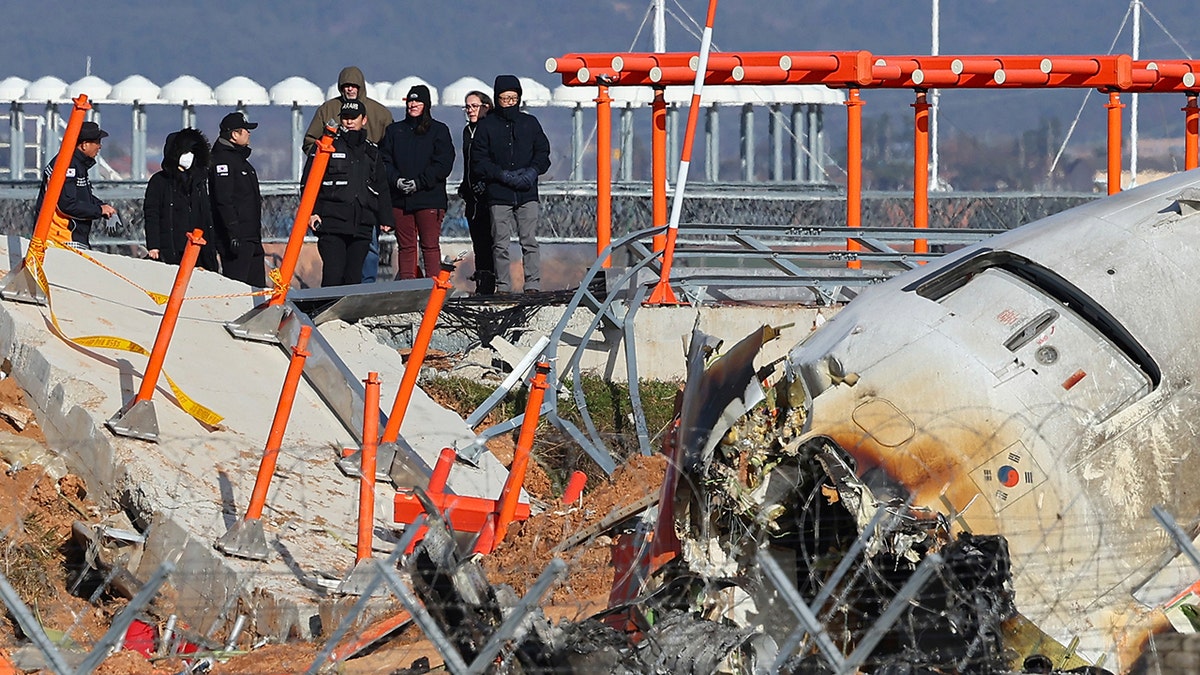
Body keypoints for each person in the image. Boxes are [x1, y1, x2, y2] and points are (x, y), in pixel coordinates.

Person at [303, 66, 394, 284]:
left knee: (357, 275)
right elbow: (309, 181)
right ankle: (327, 315)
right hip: (333, 220)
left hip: (363, 221)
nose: (349, 121)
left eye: (354, 117)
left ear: (364, 120)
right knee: (334, 274)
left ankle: (353, 314)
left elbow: (381, 184)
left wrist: (385, 217)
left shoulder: (372, 151)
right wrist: (311, 211)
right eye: (345, 117)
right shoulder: (327, 144)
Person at [471, 75, 551, 294]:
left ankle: (533, 284)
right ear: (497, 99)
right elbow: (479, 160)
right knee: (500, 242)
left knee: (530, 241)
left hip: (527, 192)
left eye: (512, 99)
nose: (508, 103)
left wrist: (532, 172)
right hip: (498, 193)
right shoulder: (487, 126)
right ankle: (503, 285)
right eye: (504, 99)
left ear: (519, 99)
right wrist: (501, 175)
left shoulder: (530, 123)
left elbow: (543, 153)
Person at [380, 85, 454, 280]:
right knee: (406, 247)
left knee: (429, 246)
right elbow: (384, 161)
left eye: (417, 101)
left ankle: (433, 290)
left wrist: (419, 182)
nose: (413, 105)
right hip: (400, 199)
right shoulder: (395, 131)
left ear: (426, 104)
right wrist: (396, 180)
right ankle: (408, 288)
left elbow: (443, 164)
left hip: (429, 198)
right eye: (410, 101)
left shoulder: (438, 131)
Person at [143, 128, 219, 270]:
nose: (188, 156)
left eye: (191, 152)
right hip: (171, 246)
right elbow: (152, 214)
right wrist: (154, 245)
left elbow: (206, 214)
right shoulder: (159, 181)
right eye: (184, 152)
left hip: (197, 246)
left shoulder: (198, 181)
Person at [35, 120, 117, 250]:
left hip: (71, 237)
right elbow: (66, 204)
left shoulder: (76, 164)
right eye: (97, 142)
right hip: (62, 239)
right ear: (84, 145)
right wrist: (99, 210)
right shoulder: (67, 165)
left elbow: (80, 196)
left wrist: (101, 205)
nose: (99, 146)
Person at [210, 111, 266, 287]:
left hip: (252, 236)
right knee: (237, 286)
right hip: (236, 238)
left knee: (256, 288)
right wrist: (233, 233)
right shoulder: (223, 161)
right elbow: (223, 200)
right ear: (234, 135)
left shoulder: (241, 161)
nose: (249, 134)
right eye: (245, 130)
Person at [458, 90, 495, 295]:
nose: (470, 110)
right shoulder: (467, 131)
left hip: (489, 195)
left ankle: (491, 283)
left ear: (485, 106)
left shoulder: (490, 129)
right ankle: (482, 282)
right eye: (468, 106)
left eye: (474, 106)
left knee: (492, 241)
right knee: (478, 241)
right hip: (472, 196)